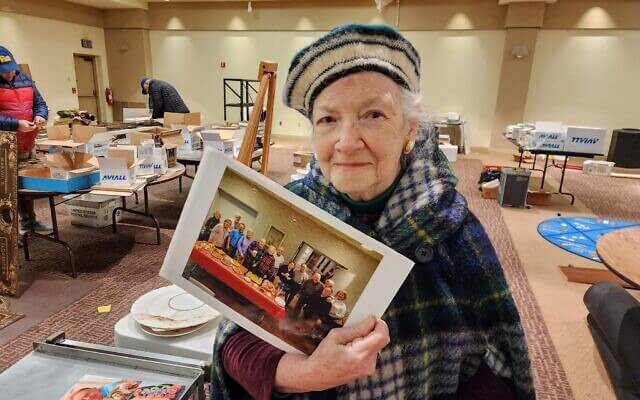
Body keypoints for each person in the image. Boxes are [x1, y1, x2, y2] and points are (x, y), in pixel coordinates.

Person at [213, 24, 534, 400]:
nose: (347, 143)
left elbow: (494, 368)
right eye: (328, 120)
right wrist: (307, 374)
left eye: (374, 115)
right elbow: (235, 346)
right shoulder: (292, 207)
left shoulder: (452, 228)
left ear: (410, 130)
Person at [0, 46, 51, 233]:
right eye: (4, 72)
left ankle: (29, 222)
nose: (9, 74)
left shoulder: (26, 79)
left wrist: (41, 115)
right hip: (5, 146)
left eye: (11, 69)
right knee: (7, 191)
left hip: (27, 142)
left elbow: (41, 104)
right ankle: (9, 234)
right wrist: (16, 124)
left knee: (26, 187)